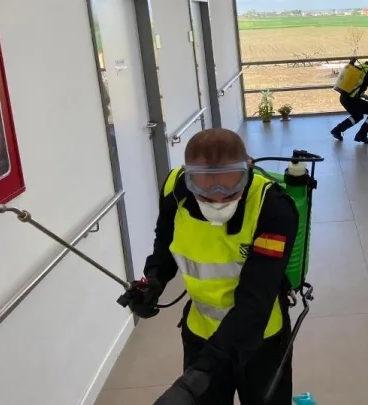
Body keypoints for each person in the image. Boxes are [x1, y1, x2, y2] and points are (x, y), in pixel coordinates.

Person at [125, 128, 299, 405]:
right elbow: (165, 241)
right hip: (201, 332)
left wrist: (197, 377)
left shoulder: (273, 208)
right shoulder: (174, 191)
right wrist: (154, 279)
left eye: (231, 188)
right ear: (187, 176)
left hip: (261, 340)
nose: (218, 199)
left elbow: (256, 300)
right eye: (204, 190)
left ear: (248, 169)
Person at [330, 55, 368, 144]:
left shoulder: (361, 66)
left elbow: (356, 84)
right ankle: (362, 135)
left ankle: (337, 130)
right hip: (352, 100)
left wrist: (360, 94)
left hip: (344, 98)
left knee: (358, 115)